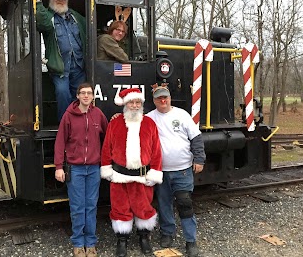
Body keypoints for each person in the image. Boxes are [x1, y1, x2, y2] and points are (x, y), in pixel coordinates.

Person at [100, 88, 163, 257]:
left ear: (141, 104)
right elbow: (107, 148)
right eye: (131, 102)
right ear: (125, 104)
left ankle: (144, 237)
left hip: (142, 176)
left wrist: (155, 172)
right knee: (120, 208)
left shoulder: (149, 124)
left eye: (137, 102)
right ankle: (122, 240)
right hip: (119, 176)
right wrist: (106, 168)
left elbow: (156, 151)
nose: (134, 106)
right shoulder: (115, 123)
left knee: (143, 207)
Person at [146, 84, 206, 257]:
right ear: (154, 101)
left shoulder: (182, 115)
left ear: (170, 97)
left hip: (183, 170)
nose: (163, 100)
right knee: (164, 203)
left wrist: (199, 158)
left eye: (165, 97)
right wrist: (117, 116)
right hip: (161, 171)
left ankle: (190, 240)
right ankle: (167, 233)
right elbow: (133, 124)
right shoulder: (149, 118)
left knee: (185, 204)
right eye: (159, 98)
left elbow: (196, 137)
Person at [54, 82, 108, 257]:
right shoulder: (68, 116)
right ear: (77, 96)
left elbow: (107, 137)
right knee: (78, 207)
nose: (86, 96)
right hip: (75, 169)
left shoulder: (98, 115)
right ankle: (78, 243)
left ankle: (90, 243)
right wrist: (59, 167)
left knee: (91, 206)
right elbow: (60, 141)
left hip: (93, 168)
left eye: (89, 93)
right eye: (82, 93)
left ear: (93, 96)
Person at [30, 0, 86, 121]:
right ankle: (64, 124)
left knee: (81, 95)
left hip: (78, 65)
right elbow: (42, 22)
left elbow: (91, 24)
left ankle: (79, 123)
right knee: (62, 93)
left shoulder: (75, 17)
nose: (60, 0)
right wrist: (37, 1)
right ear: (51, 0)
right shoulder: (49, 17)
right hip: (59, 67)